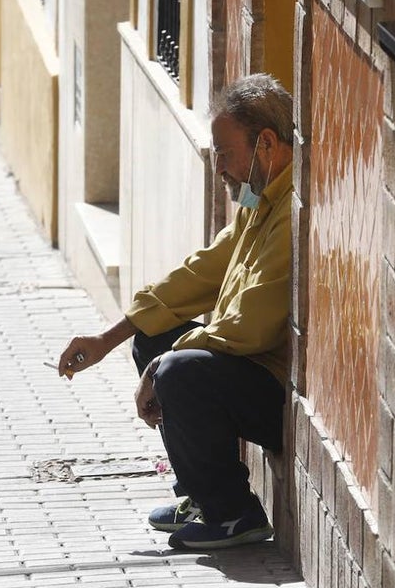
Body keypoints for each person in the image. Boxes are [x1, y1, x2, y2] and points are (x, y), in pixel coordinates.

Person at [57, 73, 293, 551]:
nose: (220, 168)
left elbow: (251, 323)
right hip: (246, 370)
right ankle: (200, 495)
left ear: (265, 144)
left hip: (278, 395)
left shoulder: (292, 211)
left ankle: (232, 514)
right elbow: (202, 272)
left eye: (225, 154)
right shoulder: (257, 197)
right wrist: (110, 337)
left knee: (180, 370)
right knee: (152, 337)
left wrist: (166, 367)